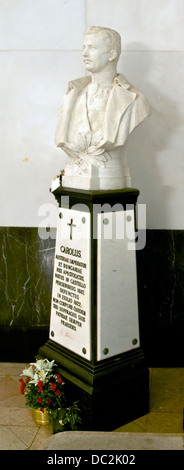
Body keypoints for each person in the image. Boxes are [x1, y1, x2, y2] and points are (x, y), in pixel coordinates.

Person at [55, 26, 151, 190]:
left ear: (111, 55)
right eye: (84, 47)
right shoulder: (72, 95)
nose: (84, 53)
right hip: (77, 177)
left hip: (111, 176)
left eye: (91, 48)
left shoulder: (135, 99)